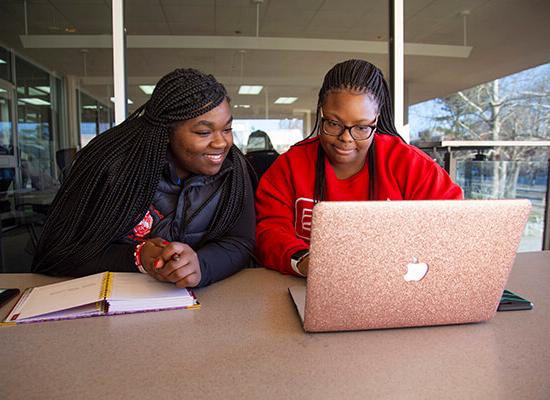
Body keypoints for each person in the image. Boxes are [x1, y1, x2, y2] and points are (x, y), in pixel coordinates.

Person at [32, 68, 255, 288]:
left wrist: (201, 265)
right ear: (168, 131)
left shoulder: (232, 169)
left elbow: (240, 242)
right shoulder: (114, 166)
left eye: (227, 129)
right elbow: (57, 253)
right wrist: (137, 256)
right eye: (204, 132)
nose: (221, 143)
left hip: (200, 308)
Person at [255, 59, 463, 277]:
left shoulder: (410, 165)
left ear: (377, 120)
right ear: (321, 112)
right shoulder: (290, 165)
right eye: (334, 124)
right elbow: (268, 231)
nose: (346, 138)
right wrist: (305, 261)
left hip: (396, 286)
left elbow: (452, 226)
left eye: (362, 127)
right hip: (309, 285)